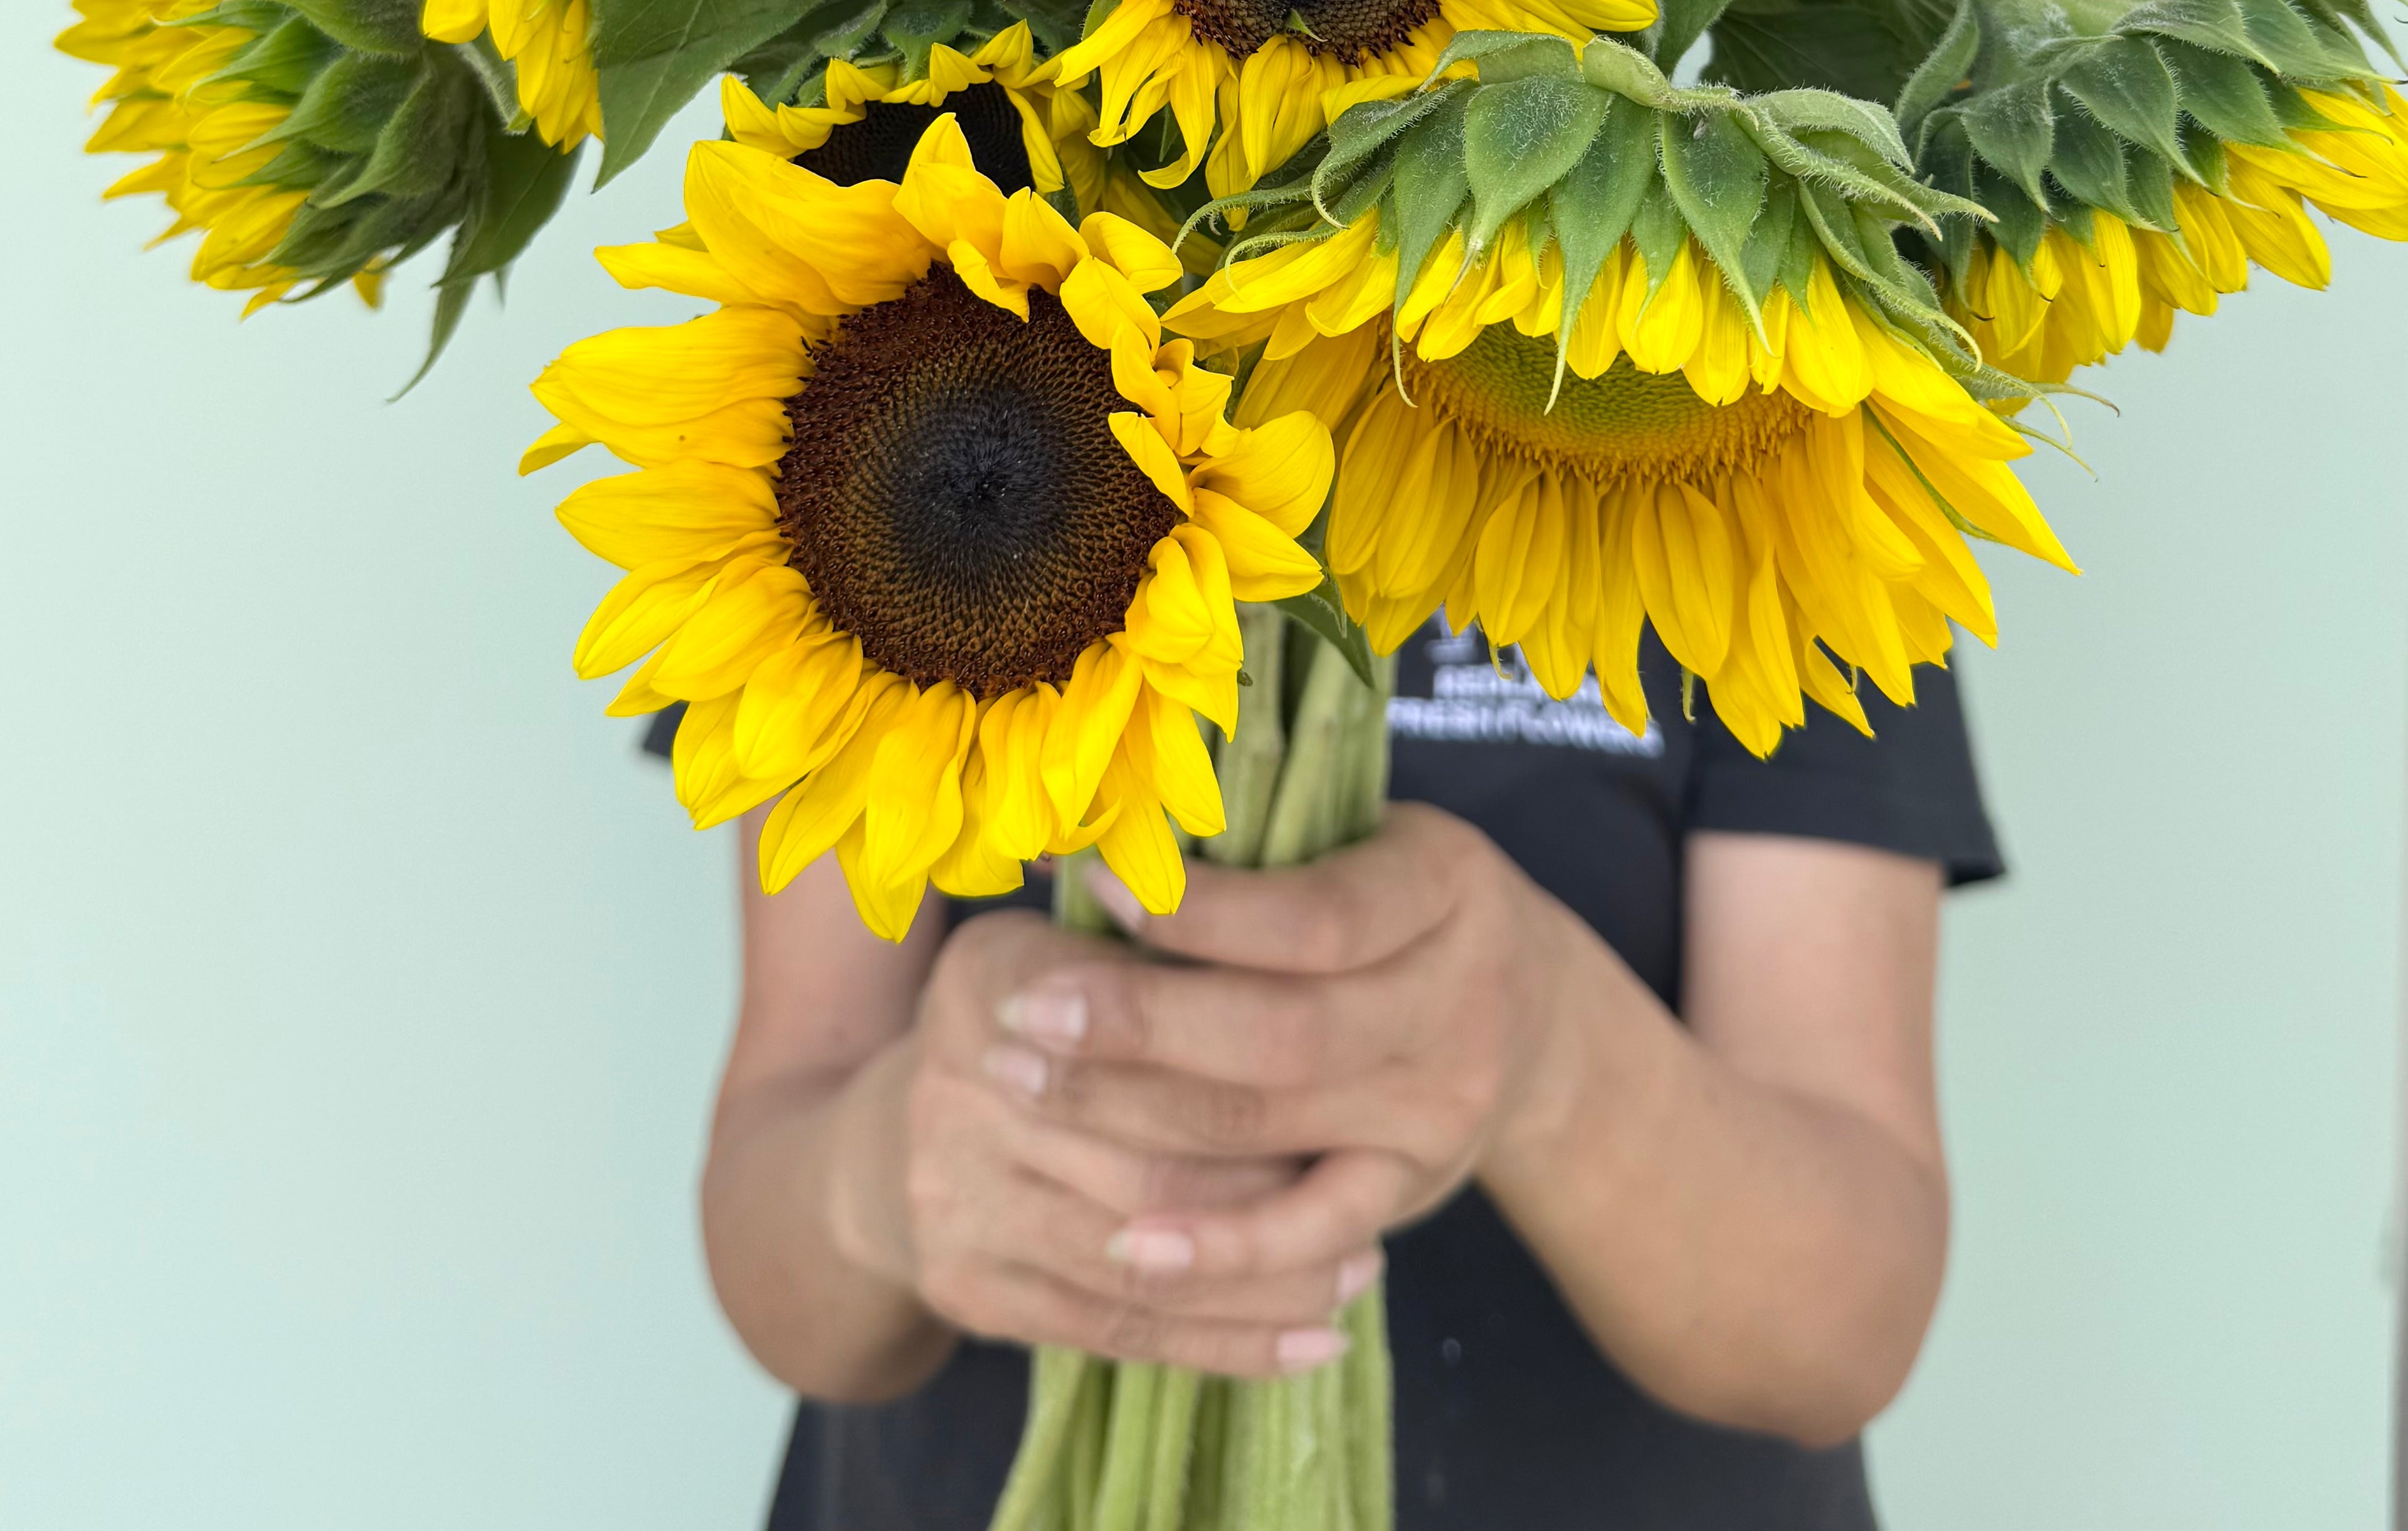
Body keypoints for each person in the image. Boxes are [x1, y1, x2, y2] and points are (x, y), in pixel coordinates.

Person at [663, 614, 2000, 1530]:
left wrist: (1540, 1050)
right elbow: (771, 1207)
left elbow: (1848, 1315)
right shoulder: (884, 262)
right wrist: (887, 1176)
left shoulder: (1789, 379)